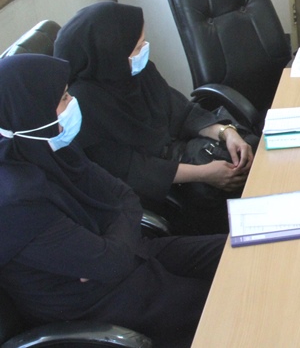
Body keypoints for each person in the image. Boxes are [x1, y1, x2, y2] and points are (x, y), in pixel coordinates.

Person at [0, 54, 225, 348]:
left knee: (235, 251)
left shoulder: (55, 148)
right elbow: (110, 263)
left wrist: (107, 242)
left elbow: (126, 196)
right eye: (64, 98)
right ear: (32, 110)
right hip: (96, 303)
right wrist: (110, 241)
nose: (73, 102)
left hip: (131, 257)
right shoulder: (15, 202)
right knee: (229, 301)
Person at [54, 1, 254, 234]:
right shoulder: (84, 105)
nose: (144, 50)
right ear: (111, 53)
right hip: (157, 191)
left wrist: (226, 132)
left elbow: (182, 111)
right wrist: (205, 174)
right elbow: (133, 171)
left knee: (251, 151)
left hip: (183, 157)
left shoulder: (136, 71)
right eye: (137, 47)